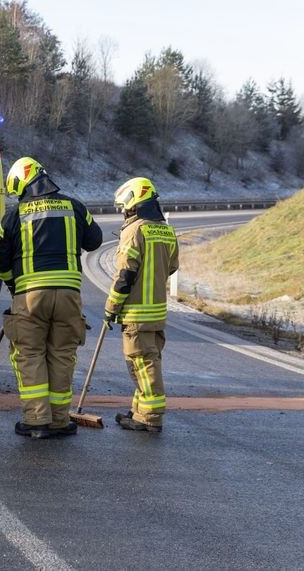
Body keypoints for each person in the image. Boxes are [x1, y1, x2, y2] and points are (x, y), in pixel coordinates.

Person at [0, 157, 102, 439]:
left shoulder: (14, 215)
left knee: (29, 354)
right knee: (62, 354)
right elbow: (95, 241)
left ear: (20, 184)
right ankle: (58, 420)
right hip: (69, 295)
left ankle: (36, 420)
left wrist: (13, 286)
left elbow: (0, 259)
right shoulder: (74, 206)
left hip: (29, 296)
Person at [105, 177, 179, 433]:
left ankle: (150, 417)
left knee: (142, 364)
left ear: (134, 202)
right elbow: (172, 266)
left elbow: (125, 274)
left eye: (125, 206)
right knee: (147, 362)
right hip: (157, 313)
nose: (124, 211)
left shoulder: (134, 231)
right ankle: (139, 411)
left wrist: (110, 308)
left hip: (136, 313)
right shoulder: (166, 230)